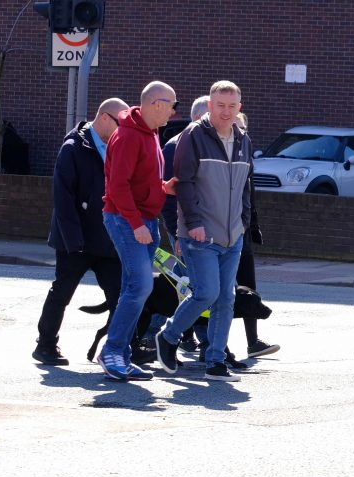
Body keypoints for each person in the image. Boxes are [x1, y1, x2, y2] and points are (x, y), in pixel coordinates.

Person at [152, 80, 254, 382]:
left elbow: (246, 185)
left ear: (239, 108)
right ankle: (168, 336)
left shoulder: (243, 139)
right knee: (206, 293)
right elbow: (183, 182)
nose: (226, 111)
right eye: (220, 105)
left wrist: (244, 220)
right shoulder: (193, 136)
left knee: (226, 298)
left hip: (232, 233)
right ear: (210, 106)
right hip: (199, 234)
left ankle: (215, 360)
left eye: (231, 106)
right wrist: (193, 223)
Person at [32, 98, 129, 366]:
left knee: (121, 295)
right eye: (121, 124)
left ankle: (119, 348)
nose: (124, 130)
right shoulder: (73, 148)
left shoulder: (118, 147)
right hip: (77, 240)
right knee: (62, 292)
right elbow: (63, 200)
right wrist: (74, 241)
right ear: (105, 118)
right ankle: (46, 345)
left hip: (108, 238)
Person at [99, 81, 178, 381]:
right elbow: (117, 187)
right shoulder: (129, 136)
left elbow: (137, 180)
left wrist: (163, 188)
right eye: (172, 104)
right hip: (125, 220)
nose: (173, 111)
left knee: (134, 289)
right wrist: (135, 225)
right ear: (155, 103)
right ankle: (112, 352)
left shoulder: (150, 133)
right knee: (140, 287)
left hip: (144, 220)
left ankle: (120, 354)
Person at [159, 95, 207, 353]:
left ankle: (189, 335)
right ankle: (169, 333)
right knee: (190, 283)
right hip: (183, 227)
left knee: (193, 283)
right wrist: (176, 234)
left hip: (203, 228)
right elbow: (168, 197)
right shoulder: (175, 147)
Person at [231, 111, 280, 359]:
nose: (238, 132)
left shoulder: (247, 156)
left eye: (242, 128)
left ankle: (253, 342)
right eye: (234, 127)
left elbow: (250, 198)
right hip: (221, 233)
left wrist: (253, 226)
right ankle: (199, 341)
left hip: (243, 232)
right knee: (213, 289)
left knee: (247, 287)